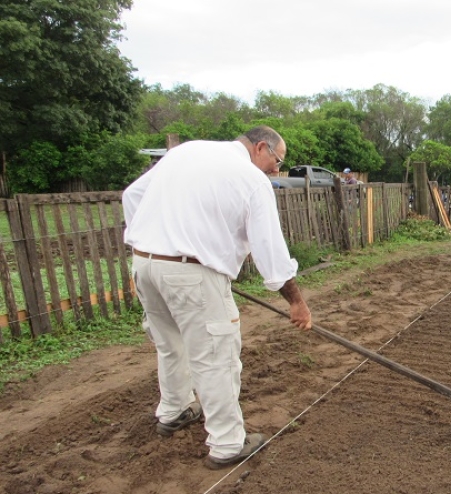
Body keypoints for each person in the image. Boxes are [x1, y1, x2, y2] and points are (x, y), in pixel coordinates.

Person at [122, 126, 313, 470]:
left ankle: (174, 411)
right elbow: (270, 250)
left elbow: (132, 196)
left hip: (145, 264)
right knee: (216, 357)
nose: (276, 169)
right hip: (191, 274)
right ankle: (227, 444)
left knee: (170, 344)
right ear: (260, 147)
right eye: (277, 160)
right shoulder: (251, 180)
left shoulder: (187, 151)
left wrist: (158, 244)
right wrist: (296, 302)